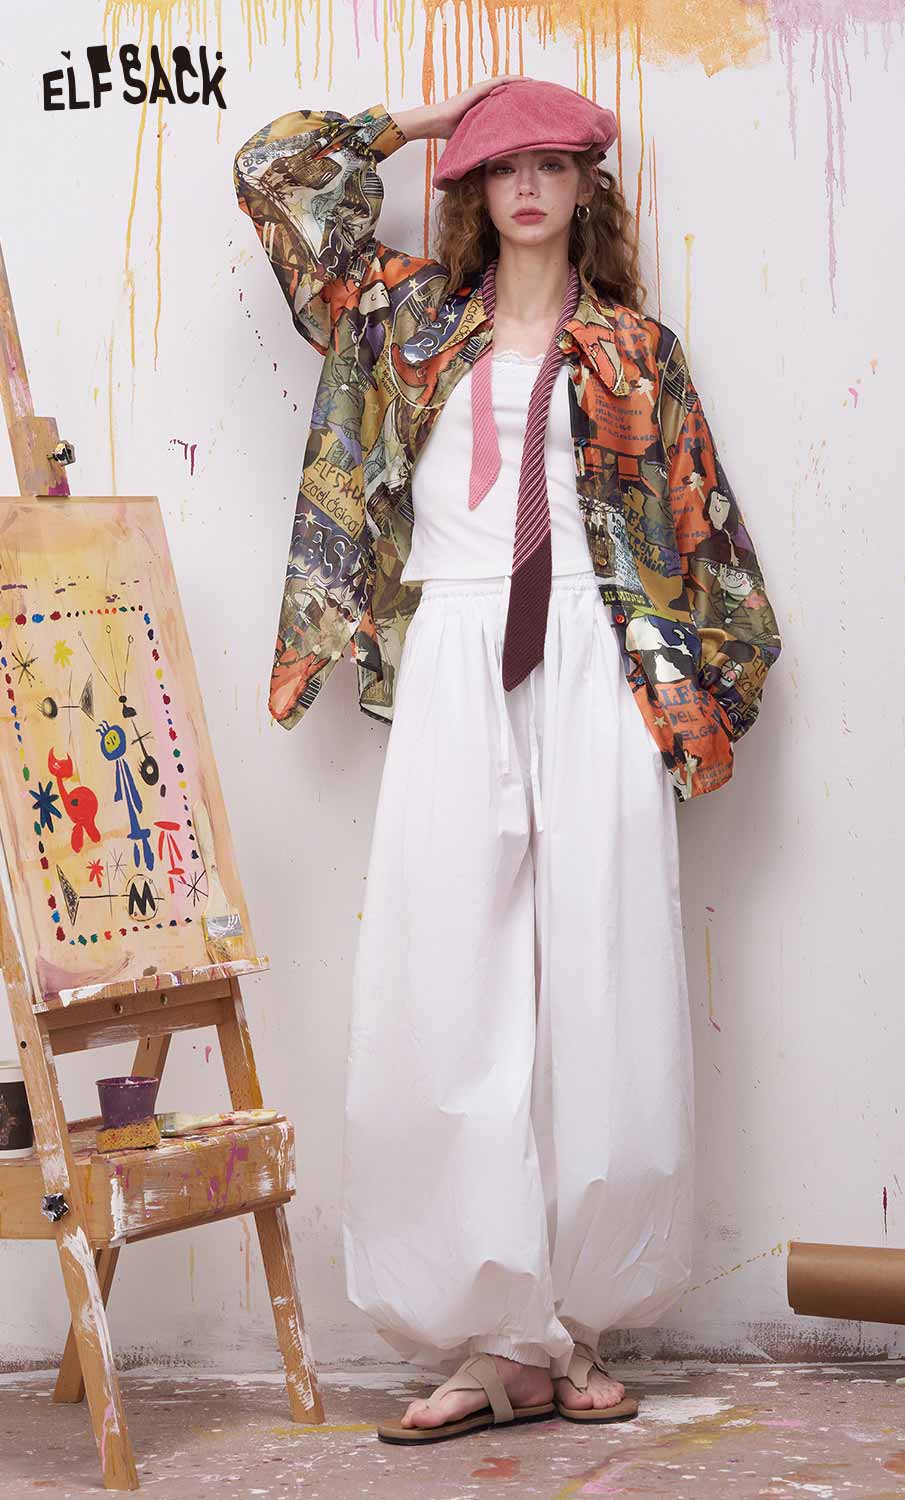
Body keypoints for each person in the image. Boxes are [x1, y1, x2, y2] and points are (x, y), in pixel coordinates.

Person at [234, 74, 781, 1447]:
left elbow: (707, 538)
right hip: (456, 654)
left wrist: (690, 696)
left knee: (601, 977)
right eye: (501, 164)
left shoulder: (637, 355)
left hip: (595, 656)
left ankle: (569, 1327)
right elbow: (272, 172)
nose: (526, 186)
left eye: (549, 162)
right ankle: (486, 1340)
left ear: (587, 186)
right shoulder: (408, 320)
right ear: (475, 190)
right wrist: (424, 128)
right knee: (448, 979)